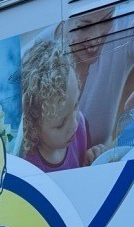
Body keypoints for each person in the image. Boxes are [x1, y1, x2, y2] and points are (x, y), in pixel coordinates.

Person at [55, 5, 134, 150]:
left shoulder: (127, 26)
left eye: (107, 19)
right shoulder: (35, 54)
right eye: (84, 26)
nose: (96, 38)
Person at [20, 37, 92, 172]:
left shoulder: (81, 124)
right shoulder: (28, 166)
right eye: (60, 124)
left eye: (75, 105)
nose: (74, 125)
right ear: (33, 128)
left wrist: (92, 158)